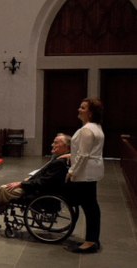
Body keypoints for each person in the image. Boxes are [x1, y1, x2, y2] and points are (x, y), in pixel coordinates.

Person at [0, 133, 71, 230]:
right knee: (6, 189)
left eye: (56, 143)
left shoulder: (59, 163)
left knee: (4, 189)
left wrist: (22, 184)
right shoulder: (59, 159)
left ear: (65, 147)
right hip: (38, 187)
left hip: (38, 191)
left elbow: (43, 183)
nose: (52, 145)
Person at [65, 98, 104, 254]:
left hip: (85, 172)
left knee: (89, 206)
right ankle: (93, 238)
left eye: (83, 108)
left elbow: (83, 155)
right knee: (91, 206)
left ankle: (90, 241)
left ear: (91, 112)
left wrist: (72, 171)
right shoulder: (96, 127)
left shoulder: (87, 129)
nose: (79, 109)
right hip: (92, 171)